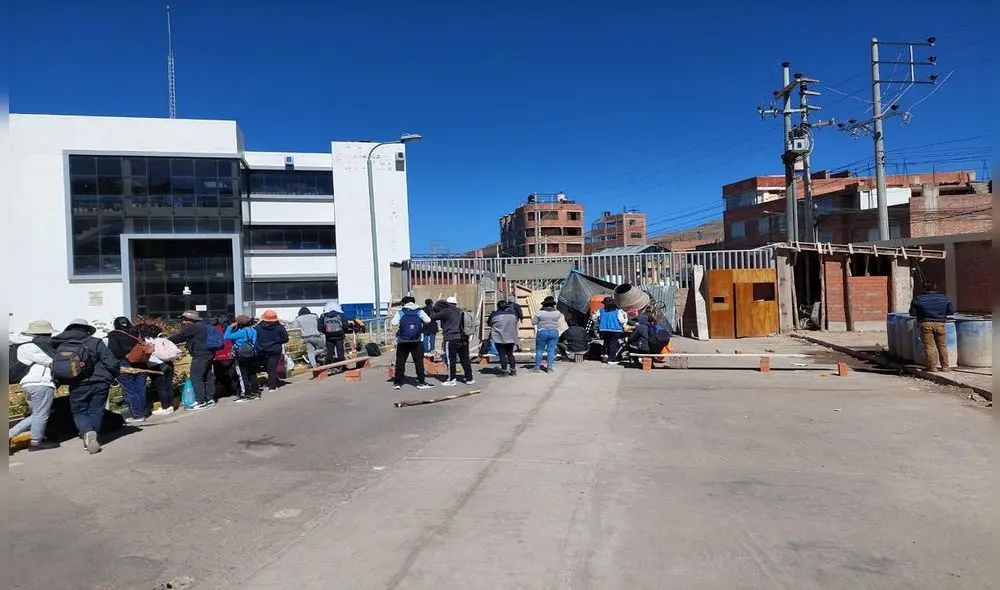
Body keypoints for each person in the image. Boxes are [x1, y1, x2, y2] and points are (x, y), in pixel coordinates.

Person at [50, 319, 120, 454]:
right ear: (86, 329)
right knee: (96, 410)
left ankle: (87, 432)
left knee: (79, 410)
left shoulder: (61, 345)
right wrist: (115, 375)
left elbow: (58, 365)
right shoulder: (95, 342)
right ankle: (92, 435)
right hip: (100, 381)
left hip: (77, 383)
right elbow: (110, 361)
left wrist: (57, 381)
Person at [9, 320, 59, 451]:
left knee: (37, 414)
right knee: (41, 414)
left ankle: (35, 437)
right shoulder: (32, 347)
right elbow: (52, 361)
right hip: (40, 383)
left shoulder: (23, 344)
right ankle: (35, 442)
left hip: (28, 384)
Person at [169, 310, 217, 410]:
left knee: (196, 377)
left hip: (200, 355)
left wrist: (163, 341)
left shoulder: (194, 327)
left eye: (184, 319)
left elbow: (179, 337)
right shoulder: (204, 325)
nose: (183, 322)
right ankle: (210, 399)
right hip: (209, 353)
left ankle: (200, 401)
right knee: (208, 376)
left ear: (190, 319)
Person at [107, 316, 149, 424]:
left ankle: (137, 415)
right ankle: (142, 412)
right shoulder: (137, 332)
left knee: (130, 389)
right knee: (140, 388)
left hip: (125, 363)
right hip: (141, 363)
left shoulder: (114, 335)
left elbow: (113, 352)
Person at [909, 280, 956, 372]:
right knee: (942, 346)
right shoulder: (944, 298)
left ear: (924, 288)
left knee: (929, 346)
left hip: (925, 324)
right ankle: (945, 366)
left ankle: (932, 367)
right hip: (940, 324)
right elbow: (951, 311)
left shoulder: (918, 298)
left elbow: (912, 313)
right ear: (935, 287)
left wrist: (921, 314)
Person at [390, 296, 434, 390]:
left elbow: (393, 323)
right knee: (418, 362)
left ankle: (398, 382)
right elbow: (428, 320)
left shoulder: (401, 312)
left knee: (400, 362)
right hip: (417, 340)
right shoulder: (419, 311)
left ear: (404, 303)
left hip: (403, 341)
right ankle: (421, 382)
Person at [432, 296, 474, 386]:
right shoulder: (460, 310)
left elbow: (433, 317)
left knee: (451, 359)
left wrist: (435, 309)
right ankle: (469, 378)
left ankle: (451, 379)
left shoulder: (446, 311)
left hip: (451, 338)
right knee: (465, 359)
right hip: (463, 338)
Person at [136, 322, 174, 416]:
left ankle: (165, 407)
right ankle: (170, 405)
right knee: (168, 386)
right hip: (168, 363)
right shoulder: (157, 339)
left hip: (156, 366)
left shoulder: (143, 341)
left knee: (161, 388)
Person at [225, 315, 261, 402]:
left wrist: (230, 327)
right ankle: (255, 392)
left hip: (241, 355)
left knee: (242, 374)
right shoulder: (253, 330)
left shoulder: (241, 332)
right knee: (252, 374)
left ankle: (245, 394)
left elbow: (226, 337)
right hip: (252, 354)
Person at [255, 310, 289, 392]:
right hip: (275, 350)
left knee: (265, 367)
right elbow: (285, 339)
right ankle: (272, 386)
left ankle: (263, 384)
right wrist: (277, 341)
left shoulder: (258, 328)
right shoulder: (279, 327)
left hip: (261, 350)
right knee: (272, 368)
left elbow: (255, 338)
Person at [488, 300, 520, 376]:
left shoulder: (494, 315)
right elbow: (515, 323)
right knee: (510, 354)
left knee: (502, 354)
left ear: (498, 306)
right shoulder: (513, 315)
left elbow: (489, 323)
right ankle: (513, 370)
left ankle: (504, 371)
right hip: (511, 337)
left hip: (499, 337)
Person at [532, 296, 562, 372]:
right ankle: (549, 368)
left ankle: (537, 368)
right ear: (553, 305)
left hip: (542, 332)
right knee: (551, 351)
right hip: (554, 332)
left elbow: (533, 322)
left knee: (539, 350)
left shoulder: (539, 312)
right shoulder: (557, 313)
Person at [592, 297, 627, 363]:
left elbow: (594, 318)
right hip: (615, 330)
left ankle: (606, 355)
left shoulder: (601, 310)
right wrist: (624, 325)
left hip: (603, 329)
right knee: (613, 344)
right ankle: (611, 359)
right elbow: (622, 320)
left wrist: (598, 324)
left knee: (606, 342)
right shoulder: (617, 310)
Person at [212, 315, 236, 398]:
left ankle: (221, 393)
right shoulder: (231, 329)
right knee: (232, 375)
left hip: (218, 356)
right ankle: (234, 391)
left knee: (219, 376)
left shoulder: (213, 329)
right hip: (230, 355)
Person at [319, 302, 347, 374]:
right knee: (340, 351)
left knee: (329, 352)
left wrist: (326, 332)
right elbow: (345, 325)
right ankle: (341, 366)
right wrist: (343, 331)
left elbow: (320, 327)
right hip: (339, 335)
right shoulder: (341, 314)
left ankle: (328, 367)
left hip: (329, 336)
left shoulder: (324, 316)